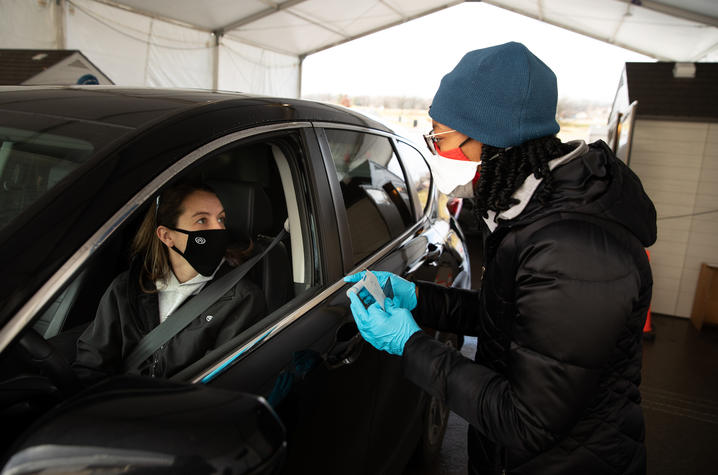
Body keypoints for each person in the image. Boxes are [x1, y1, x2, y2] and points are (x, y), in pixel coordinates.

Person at [346, 42, 655, 475]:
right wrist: (419, 298)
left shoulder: (573, 249)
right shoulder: (531, 209)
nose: (438, 148)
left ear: (491, 133)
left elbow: (527, 421)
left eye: (440, 137)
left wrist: (411, 345)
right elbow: (512, 316)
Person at [75, 183, 266, 382]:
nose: (219, 229)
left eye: (221, 219)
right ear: (167, 236)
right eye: (202, 220)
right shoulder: (126, 289)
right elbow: (91, 366)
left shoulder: (242, 299)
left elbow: (220, 383)